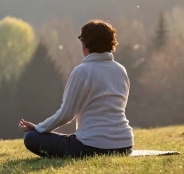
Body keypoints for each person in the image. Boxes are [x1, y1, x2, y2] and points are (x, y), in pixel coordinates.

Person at [18, 19, 134, 158]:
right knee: (69, 139)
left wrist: (38, 128)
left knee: (31, 138)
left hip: (93, 147)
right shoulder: (120, 70)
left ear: (86, 45)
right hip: (125, 145)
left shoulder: (82, 71)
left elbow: (66, 114)